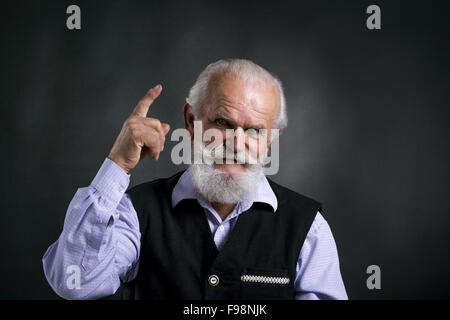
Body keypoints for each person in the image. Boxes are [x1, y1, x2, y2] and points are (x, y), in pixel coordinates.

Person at [42, 59, 348, 300]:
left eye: (254, 131)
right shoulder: (137, 214)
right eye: (222, 122)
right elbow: (75, 283)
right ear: (191, 121)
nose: (236, 144)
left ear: (270, 141)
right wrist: (117, 164)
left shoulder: (308, 229)